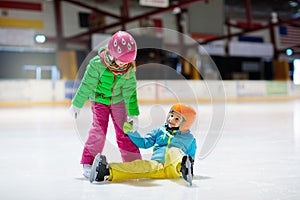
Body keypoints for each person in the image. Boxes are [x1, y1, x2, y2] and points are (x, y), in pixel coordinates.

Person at [69, 31, 142, 178]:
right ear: (112, 54)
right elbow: (86, 85)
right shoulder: (97, 65)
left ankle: (133, 162)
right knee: (99, 130)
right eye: (122, 61)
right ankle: (88, 163)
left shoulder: (128, 70)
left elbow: (130, 93)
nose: (124, 64)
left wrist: (133, 114)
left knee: (124, 131)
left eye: (128, 62)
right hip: (99, 100)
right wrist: (77, 104)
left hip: (118, 101)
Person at [89, 103, 197, 186]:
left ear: (185, 123)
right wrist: (131, 132)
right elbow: (144, 143)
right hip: (158, 165)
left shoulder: (190, 139)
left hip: (174, 168)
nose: (171, 119)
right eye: (171, 115)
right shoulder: (159, 131)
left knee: (174, 151)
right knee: (139, 166)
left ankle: (183, 169)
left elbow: (191, 158)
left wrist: (189, 169)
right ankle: (106, 171)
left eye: (177, 118)